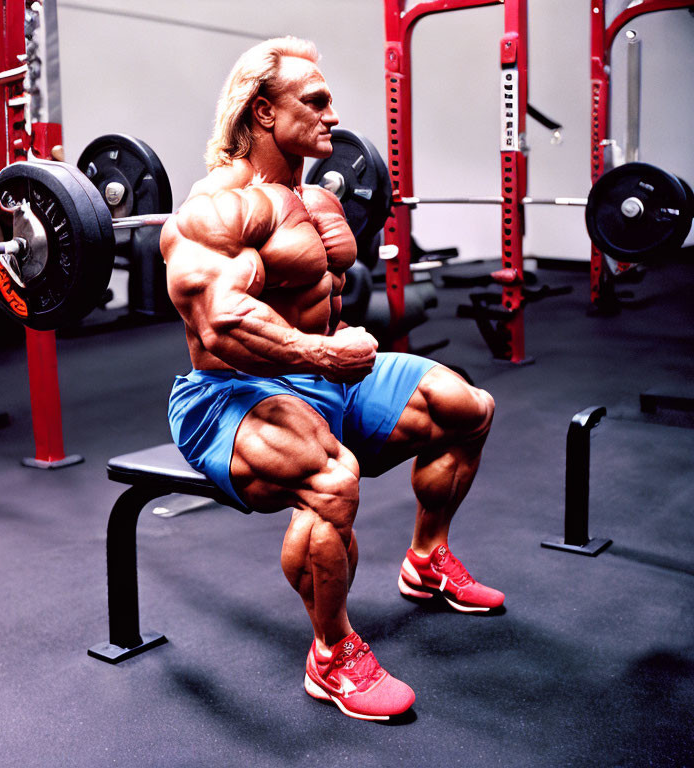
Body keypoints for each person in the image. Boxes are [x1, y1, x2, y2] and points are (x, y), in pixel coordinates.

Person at [160, 36, 503, 722]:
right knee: (332, 479)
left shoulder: (319, 197)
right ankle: (332, 652)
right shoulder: (221, 211)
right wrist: (321, 356)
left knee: (468, 405)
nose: (333, 115)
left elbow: (321, 293)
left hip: (324, 375)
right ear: (262, 112)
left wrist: (330, 349)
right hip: (230, 395)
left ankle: (427, 558)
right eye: (314, 102)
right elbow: (222, 322)